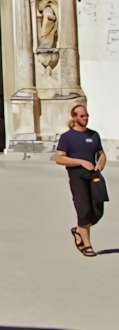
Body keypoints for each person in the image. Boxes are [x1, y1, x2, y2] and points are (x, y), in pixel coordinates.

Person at [55, 103, 106, 257]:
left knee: (97, 209)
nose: (86, 118)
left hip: (93, 177)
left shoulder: (94, 135)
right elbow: (59, 158)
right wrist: (81, 162)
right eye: (82, 116)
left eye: (87, 115)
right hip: (77, 176)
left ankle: (78, 230)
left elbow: (102, 155)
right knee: (83, 209)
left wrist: (99, 168)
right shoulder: (67, 137)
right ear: (74, 117)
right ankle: (86, 244)